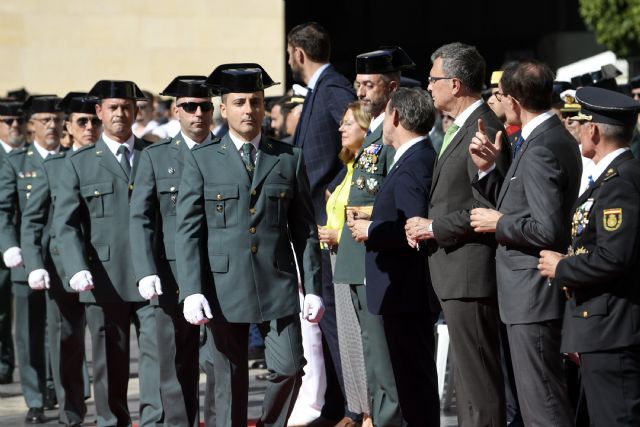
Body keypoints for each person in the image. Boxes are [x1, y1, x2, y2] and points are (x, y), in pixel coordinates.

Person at [175, 63, 324, 427]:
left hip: (277, 284)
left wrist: (314, 287)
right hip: (223, 286)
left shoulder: (289, 158)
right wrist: (191, 290)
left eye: (255, 101)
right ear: (223, 109)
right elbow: (188, 230)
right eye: (239, 102)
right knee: (227, 382)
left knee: (289, 368)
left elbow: (304, 228)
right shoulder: (201, 160)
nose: (249, 110)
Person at [467, 60, 580, 427]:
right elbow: (521, 200)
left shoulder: (543, 145)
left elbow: (547, 229)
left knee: (542, 404)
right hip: (527, 293)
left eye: (500, 95)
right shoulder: (543, 138)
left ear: (513, 101)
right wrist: (489, 169)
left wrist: (500, 223)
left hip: (532, 293)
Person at [405, 42, 510, 427]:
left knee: (479, 383)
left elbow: (483, 207)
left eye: (433, 80)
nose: (428, 88)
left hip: (470, 273)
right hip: (454, 272)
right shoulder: (458, 128)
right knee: (467, 382)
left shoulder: (484, 128)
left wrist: (432, 227)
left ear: (455, 83)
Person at [53, 80, 163, 427]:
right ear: (99, 112)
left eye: (127, 107)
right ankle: (111, 422)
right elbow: (66, 224)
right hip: (105, 278)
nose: (120, 113)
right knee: (108, 363)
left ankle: (154, 422)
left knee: (157, 358)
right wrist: (74, 267)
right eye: (112, 107)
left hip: (153, 276)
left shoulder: (155, 155)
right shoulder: (79, 163)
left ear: (136, 111)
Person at [538, 86, 640, 427]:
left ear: (594, 130)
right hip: (598, 326)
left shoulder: (620, 182)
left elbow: (613, 257)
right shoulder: (610, 179)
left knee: (616, 418)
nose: (577, 129)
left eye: (580, 121)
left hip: (613, 330)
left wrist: (562, 267)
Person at [333, 46, 415, 427]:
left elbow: (396, 191)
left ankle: (388, 419)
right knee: (370, 352)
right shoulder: (373, 133)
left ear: (392, 86)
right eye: (358, 84)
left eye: (369, 84)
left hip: (377, 252)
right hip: (357, 254)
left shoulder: (392, 133)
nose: (361, 92)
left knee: (382, 356)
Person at [129, 76, 217, 427]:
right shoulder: (155, 156)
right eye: (190, 107)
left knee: (218, 362)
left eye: (205, 106)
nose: (199, 114)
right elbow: (141, 217)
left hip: (220, 272)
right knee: (175, 361)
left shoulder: (227, 153)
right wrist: (146, 268)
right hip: (173, 274)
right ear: (175, 111)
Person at [349, 87, 439, 426]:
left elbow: (412, 229)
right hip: (404, 294)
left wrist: (371, 230)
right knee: (413, 383)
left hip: (406, 294)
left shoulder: (414, 164)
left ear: (396, 117)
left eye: (385, 115)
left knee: (414, 386)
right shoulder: (415, 158)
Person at [287, 22, 356, 425]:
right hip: (312, 218)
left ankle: (350, 405)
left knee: (331, 314)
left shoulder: (332, 89)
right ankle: (333, 404)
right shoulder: (320, 88)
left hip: (325, 218)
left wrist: (339, 182)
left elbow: (357, 133)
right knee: (320, 313)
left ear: (298, 53)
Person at [19, 92, 100, 427]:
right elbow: (33, 220)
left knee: (106, 344)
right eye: (82, 122)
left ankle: (110, 413)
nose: (90, 128)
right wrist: (34, 263)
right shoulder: (55, 166)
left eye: (95, 121)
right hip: (62, 269)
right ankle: (71, 414)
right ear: (68, 127)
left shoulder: (111, 161)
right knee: (66, 342)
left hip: (104, 268)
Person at [0, 95, 63, 424]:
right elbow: (4, 211)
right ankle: (36, 396)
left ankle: (59, 388)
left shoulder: (71, 158)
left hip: (65, 263)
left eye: (56, 120)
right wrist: (9, 246)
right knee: (29, 333)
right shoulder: (16, 162)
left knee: (63, 331)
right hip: (27, 262)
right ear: (31, 125)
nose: (52, 126)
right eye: (44, 120)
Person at [317, 101, 371, 427]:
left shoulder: (367, 169)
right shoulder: (349, 167)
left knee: (359, 339)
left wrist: (338, 234)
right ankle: (358, 408)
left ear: (365, 128)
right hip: (337, 258)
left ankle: (367, 412)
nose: (341, 129)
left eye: (349, 123)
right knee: (347, 340)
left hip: (353, 257)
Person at [0, 98, 25, 386]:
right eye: (8, 121)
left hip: (25, 243)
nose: (15, 126)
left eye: (19, 120)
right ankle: (3, 362)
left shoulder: (30, 155)